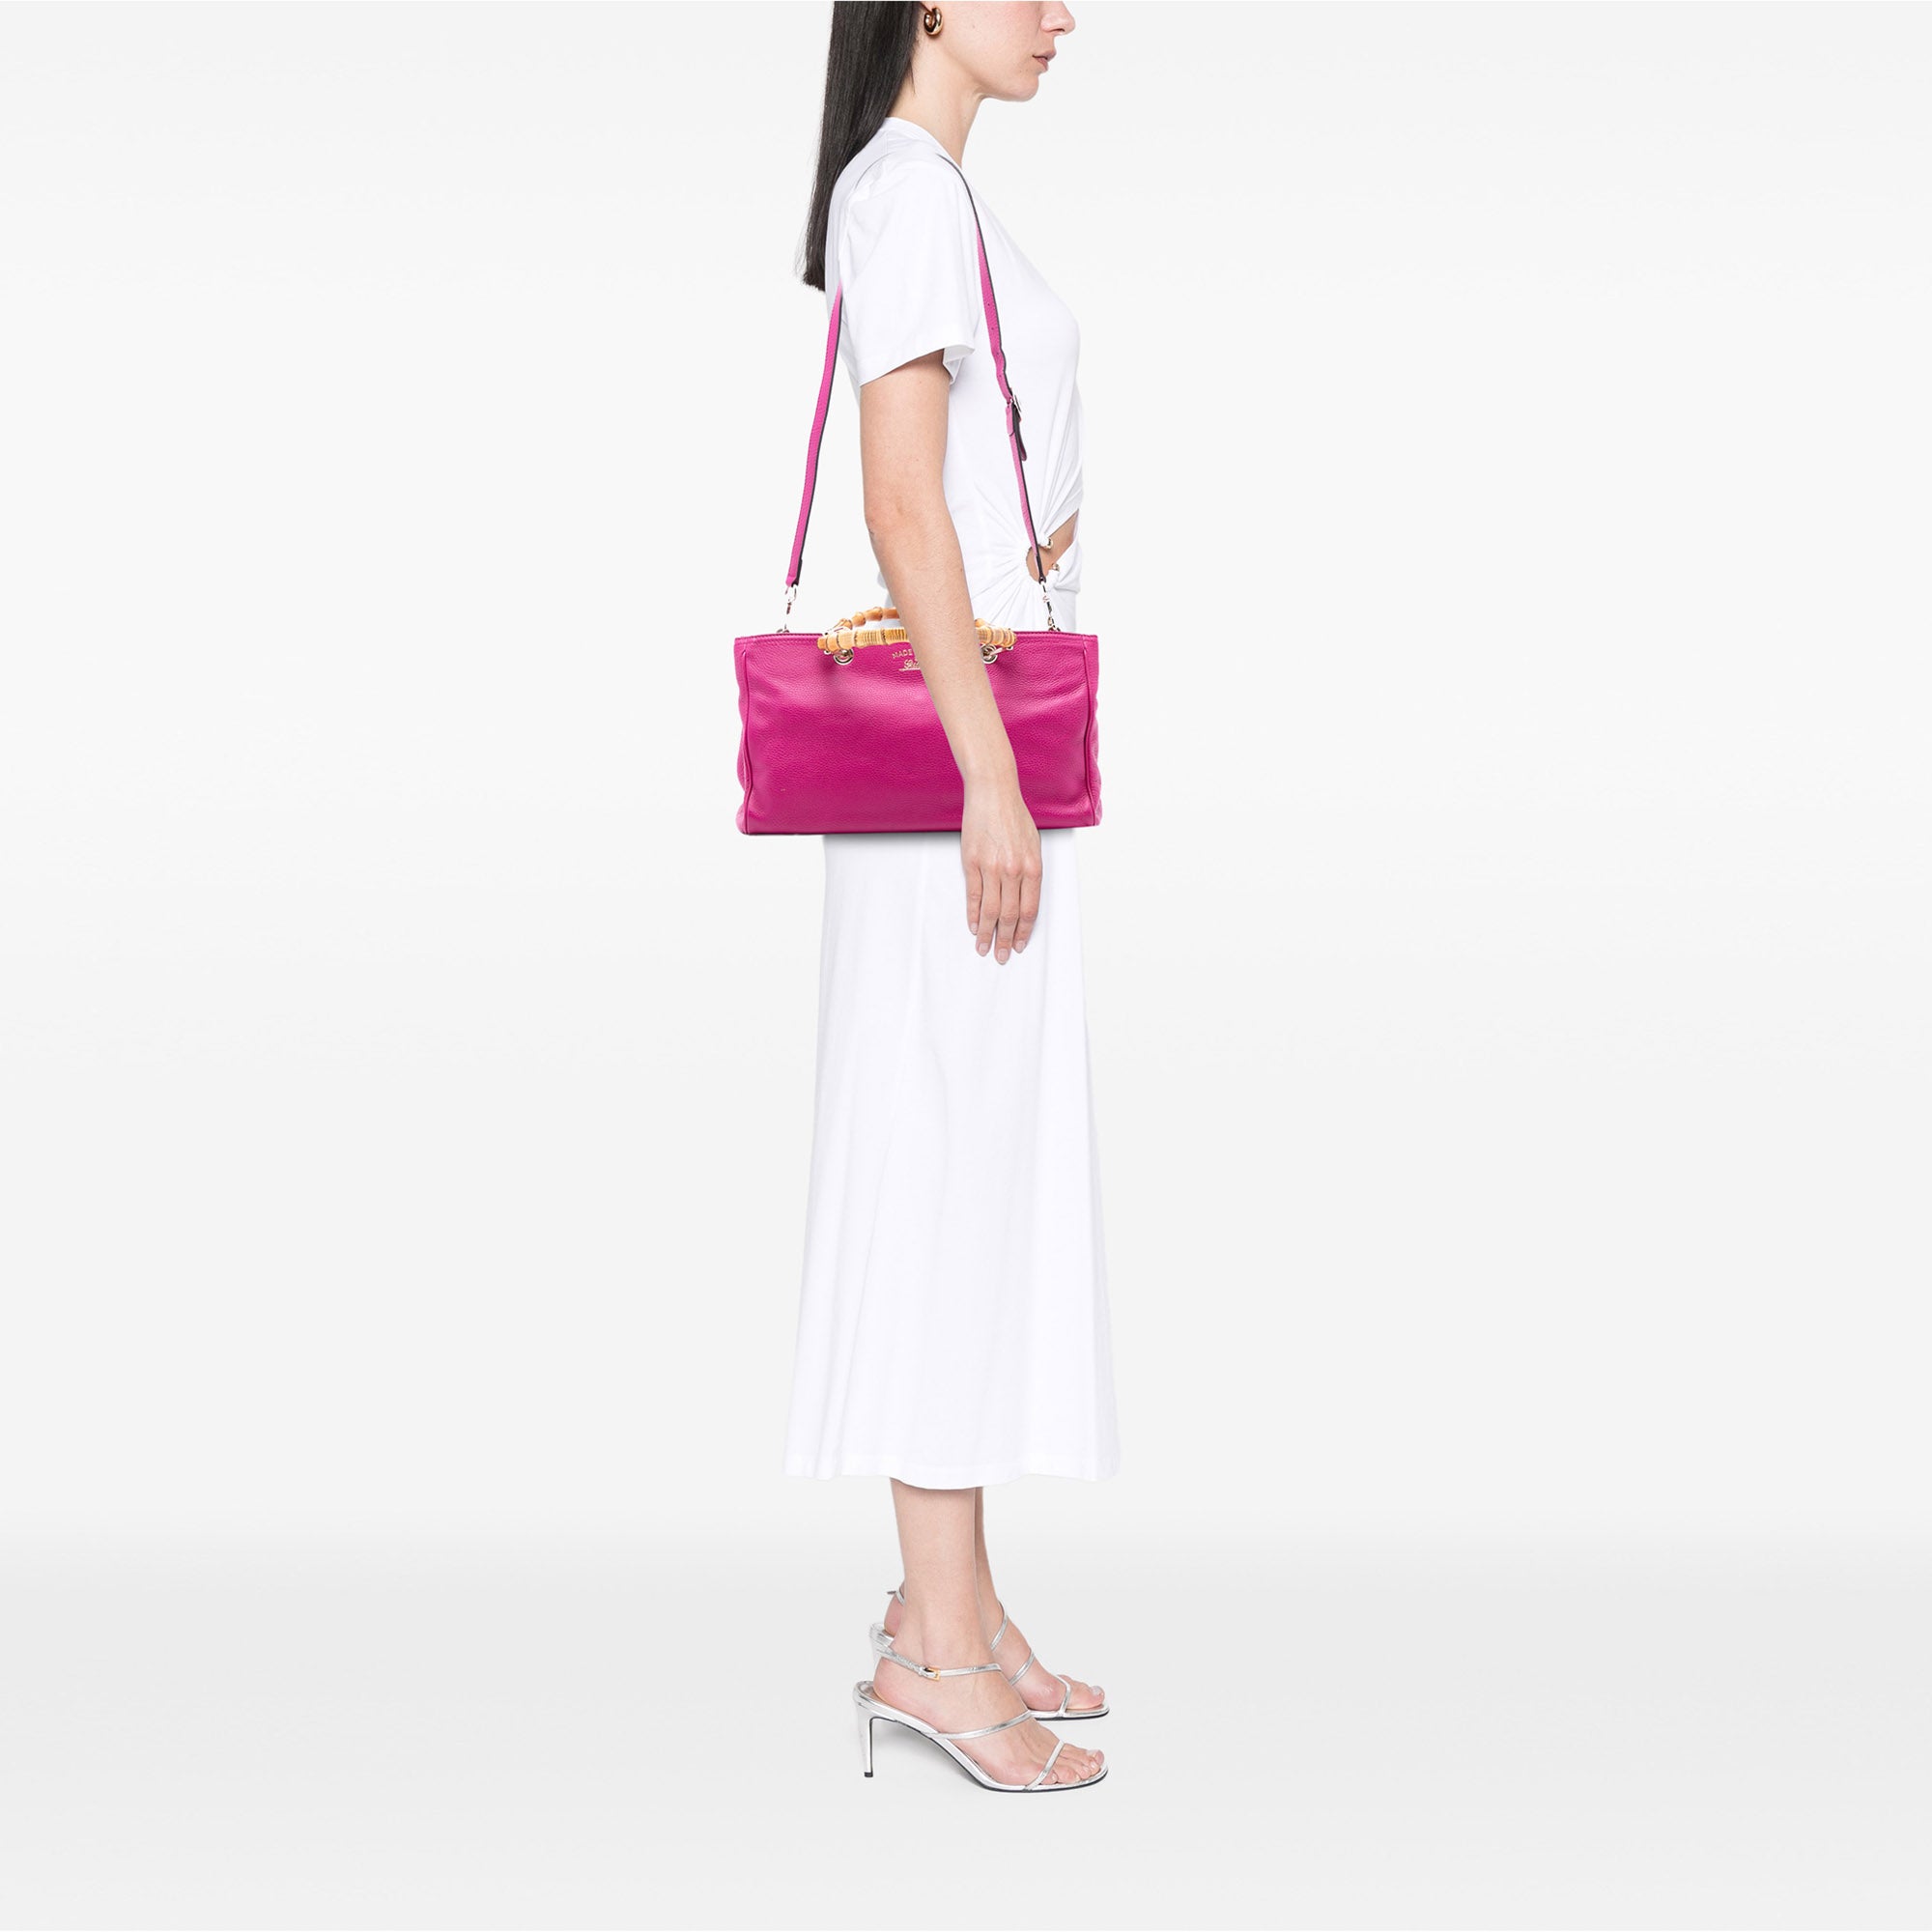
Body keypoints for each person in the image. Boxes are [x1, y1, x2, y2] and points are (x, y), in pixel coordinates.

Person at [784, 1, 1116, 1794]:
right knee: (942, 1178)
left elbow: (964, 493)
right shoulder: (906, 195)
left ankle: (952, 1612)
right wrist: (987, 775)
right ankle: (935, 1658)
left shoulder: (930, 191)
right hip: (959, 777)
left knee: (971, 1168)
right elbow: (902, 506)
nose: (1063, 13)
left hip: (977, 759)